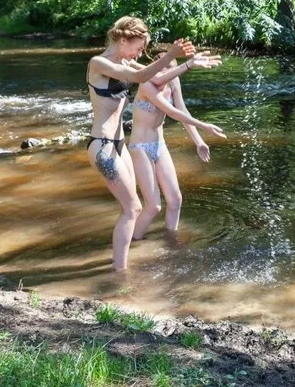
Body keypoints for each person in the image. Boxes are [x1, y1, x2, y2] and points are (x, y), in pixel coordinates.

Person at [86, 16, 212, 271]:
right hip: (102, 145)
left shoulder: (125, 61)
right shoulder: (98, 63)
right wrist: (172, 54)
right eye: (139, 47)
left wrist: (188, 64)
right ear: (123, 40)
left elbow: (156, 77)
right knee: (133, 208)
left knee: (133, 207)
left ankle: (120, 265)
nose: (140, 54)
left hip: (119, 145)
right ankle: (120, 274)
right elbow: (142, 75)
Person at [129, 55, 226, 240]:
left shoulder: (174, 81)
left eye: (169, 70)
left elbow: (182, 110)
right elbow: (172, 112)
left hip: (159, 145)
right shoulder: (146, 84)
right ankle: (132, 243)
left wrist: (198, 141)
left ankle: (170, 241)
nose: (164, 74)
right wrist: (204, 126)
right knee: (153, 207)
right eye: (161, 69)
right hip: (140, 147)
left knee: (175, 200)